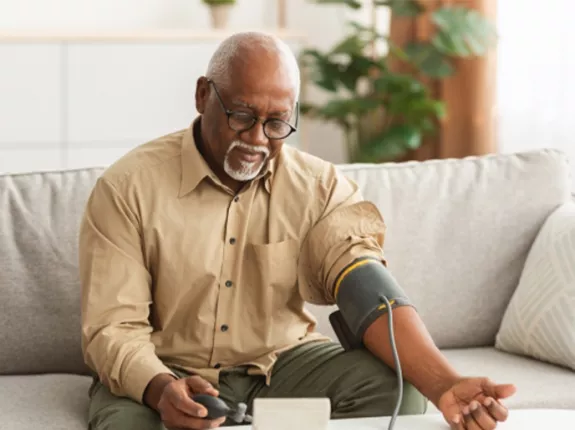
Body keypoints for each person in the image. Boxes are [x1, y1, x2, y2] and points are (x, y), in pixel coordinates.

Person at [79, 31, 516, 430]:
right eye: (242, 115)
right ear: (201, 95)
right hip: (166, 367)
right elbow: (113, 328)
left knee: (395, 391)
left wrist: (444, 384)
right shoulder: (127, 188)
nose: (256, 138)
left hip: (281, 364)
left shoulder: (320, 187)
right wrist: (158, 389)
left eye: (276, 123)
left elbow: (367, 289)